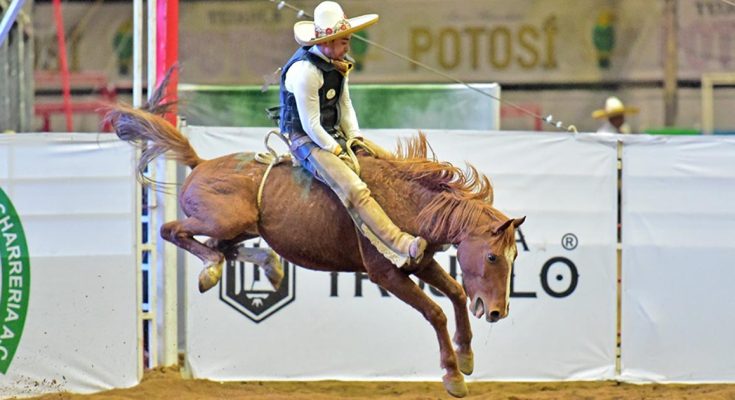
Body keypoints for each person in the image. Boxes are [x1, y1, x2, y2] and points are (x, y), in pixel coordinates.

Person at [279, 1, 427, 267]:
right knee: (354, 188)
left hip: (333, 133)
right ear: (328, 42)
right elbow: (311, 124)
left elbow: (344, 104)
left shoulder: (338, 63)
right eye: (344, 41)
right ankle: (399, 243)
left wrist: (355, 138)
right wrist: (337, 151)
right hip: (306, 140)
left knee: (386, 161)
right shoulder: (305, 72)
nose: (348, 46)